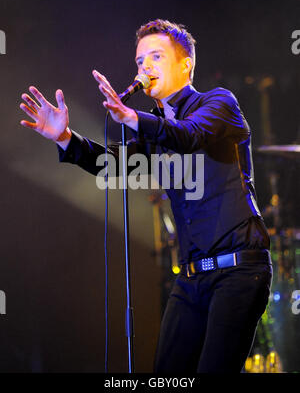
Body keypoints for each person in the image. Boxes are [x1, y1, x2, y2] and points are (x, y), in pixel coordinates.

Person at [20, 19, 273, 373]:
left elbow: (189, 135)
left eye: (156, 57)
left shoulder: (218, 103)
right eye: (140, 61)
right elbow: (114, 165)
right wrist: (64, 137)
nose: (145, 68)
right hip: (190, 277)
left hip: (238, 272)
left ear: (185, 64)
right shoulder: (153, 130)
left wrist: (132, 117)